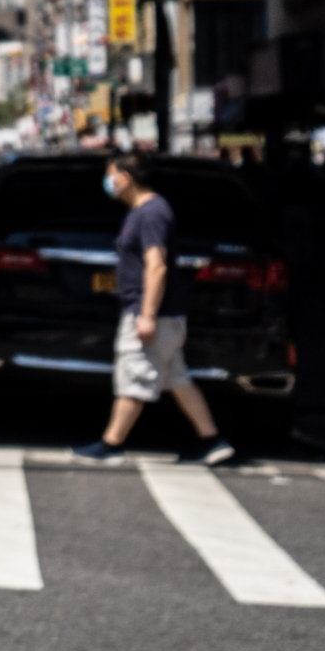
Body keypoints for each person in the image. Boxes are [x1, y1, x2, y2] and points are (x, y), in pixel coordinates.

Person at [75, 153, 233, 465]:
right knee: (177, 379)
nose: (108, 183)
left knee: (135, 376)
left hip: (153, 315)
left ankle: (111, 444)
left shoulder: (151, 213)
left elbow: (156, 266)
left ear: (125, 177)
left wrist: (146, 315)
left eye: (111, 175)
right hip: (162, 315)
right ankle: (213, 441)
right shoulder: (144, 212)